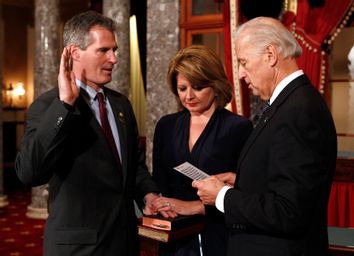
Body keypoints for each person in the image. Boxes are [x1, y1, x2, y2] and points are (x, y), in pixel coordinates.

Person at [15, 11, 161, 256]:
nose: (114, 58)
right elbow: (29, 172)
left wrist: (148, 193)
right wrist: (65, 106)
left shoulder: (121, 105)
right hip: (79, 248)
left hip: (124, 242)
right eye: (104, 50)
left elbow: (133, 167)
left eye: (114, 50)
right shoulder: (49, 106)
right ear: (74, 53)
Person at [192, 17, 337, 256]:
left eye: (243, 62)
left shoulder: (299, 111)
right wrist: (243, 181)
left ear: (270, 55)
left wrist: (222, 196)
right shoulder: (290, 103)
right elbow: (286, 180)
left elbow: (289, 210)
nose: (240, 74)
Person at [151, 45, 253, 256]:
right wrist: (159, 203)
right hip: (173, 237)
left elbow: (246, 192)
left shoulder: (238, 127)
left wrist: (192, 206)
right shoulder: (166, 126)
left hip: (217, 234)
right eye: (182, 88)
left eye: (197, 87)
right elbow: (159, 179)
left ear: (215, 86)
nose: (189, 96)